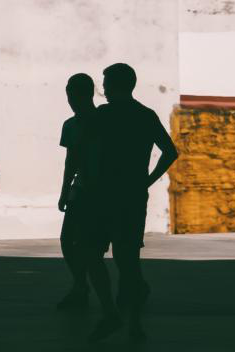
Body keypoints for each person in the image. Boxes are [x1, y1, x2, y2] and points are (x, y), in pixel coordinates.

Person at [80, 63, 177, 343]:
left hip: (102, 196)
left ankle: (110, 313)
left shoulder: (103, 115)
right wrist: (146, 181)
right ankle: (134, 324)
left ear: (114, 85)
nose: (103, 88)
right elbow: (169, 152)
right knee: (129, 262)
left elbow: (86, 151)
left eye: (106, 83)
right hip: (132, 197)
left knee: (91, 254)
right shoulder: (145, 115)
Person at [55, 73, 95, 310]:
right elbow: (70, 162)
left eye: (73, 96)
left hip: (94, 192)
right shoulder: (70, 125)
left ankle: (81, 287)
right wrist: (64, 192)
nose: (71, 101)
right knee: (68, 240)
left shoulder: (101, 122)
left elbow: (71, 162)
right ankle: (80, 285)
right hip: (81, 190)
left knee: (83, 243)